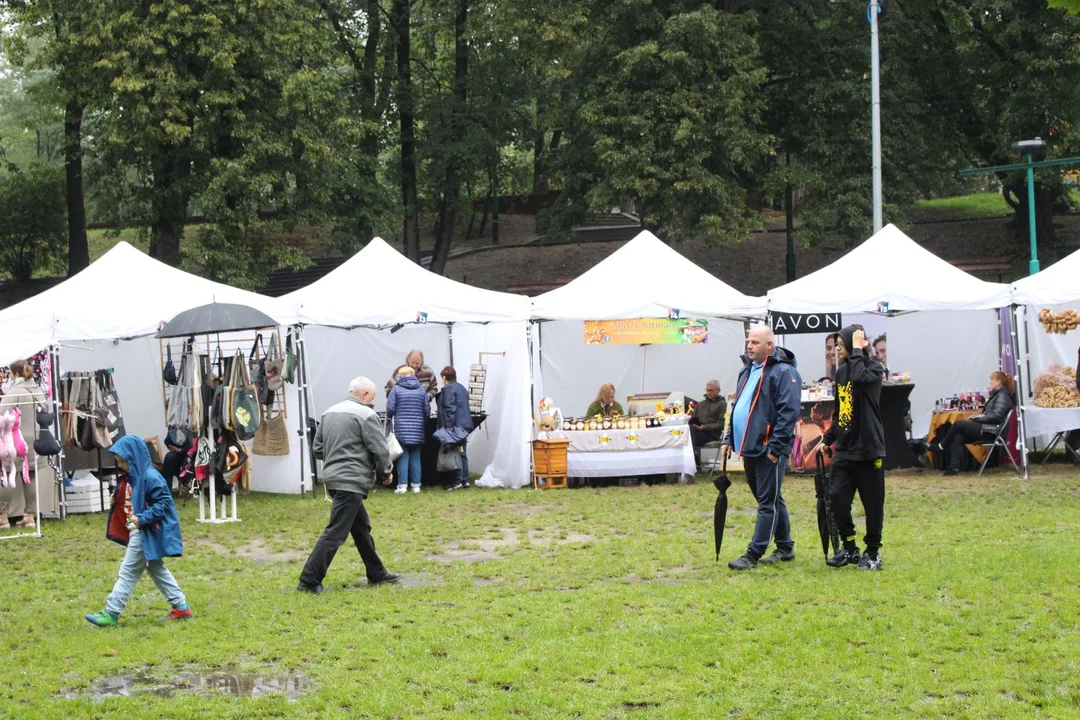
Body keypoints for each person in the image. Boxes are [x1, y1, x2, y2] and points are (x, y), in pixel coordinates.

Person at [298, 377, 401, 593]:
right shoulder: (366, 415)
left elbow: (318, 449)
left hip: (334, 479)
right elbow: (380, 449)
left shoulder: (328, 413)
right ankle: (309, 580)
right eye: (372, 397)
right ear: (365, 395)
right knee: (335, 532)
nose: (371, 402)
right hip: (351, 481)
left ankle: (377, 573)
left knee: (361, 528)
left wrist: (337, 455)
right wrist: (386, 473)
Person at [85, 435, 191, 626]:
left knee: (128, 572)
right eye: (119, 462)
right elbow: (132, 498)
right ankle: (180, 606)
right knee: (156, 568)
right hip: (141, 530)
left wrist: (142, 519)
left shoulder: (151, 477)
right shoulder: (133, 477)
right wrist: (116, 499)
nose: (122, 465)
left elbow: (164, 503)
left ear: (134, 458)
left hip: (144, 532)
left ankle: (111, 612)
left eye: (124, 461)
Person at [721, 325, 801, 570]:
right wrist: (728, 439)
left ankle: (753, 554)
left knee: (767, 502)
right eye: (748, 341)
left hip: (769, 448)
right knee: (771, 498)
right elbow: (738, 407)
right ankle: (785, 546)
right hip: (751, 446)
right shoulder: (746, 371)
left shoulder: (784, 372)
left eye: (755, 342)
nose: (749, 346)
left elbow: (789, 412)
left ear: (770, 345)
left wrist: (776, 448)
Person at [820, 325, 886, 571]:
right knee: (836, 497)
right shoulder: (842, 372)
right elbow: (841, 409)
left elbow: (860, 377)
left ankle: (872, 552)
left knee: (872, 504)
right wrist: (829, 437)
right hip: (846, 449)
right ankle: (849, 548)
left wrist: (859, 348)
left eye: (842, 344)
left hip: (869, 449)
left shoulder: (873, 369)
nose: (838, 349)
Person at [935, 371, 1016, 477]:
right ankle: (953, 468)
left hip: (992, 431)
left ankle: (941, 446)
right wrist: (979, 417)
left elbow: (996, 416)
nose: (990, 383)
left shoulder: (1003, 396)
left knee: (958, 424)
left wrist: (978, 419)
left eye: (992, 380)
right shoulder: (999, 395)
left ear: (998, 382)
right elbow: (993, 415)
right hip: (989, 429)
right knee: (958, 436)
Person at [0, 360, 48, 530]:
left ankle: (3, 517)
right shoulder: (37, 390)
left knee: (7, 475)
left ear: (15, 374)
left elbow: (2, 414)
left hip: (15, 439)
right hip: (35, 440)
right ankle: (30, 517)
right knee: (30, 476)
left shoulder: (14, 392)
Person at [386, 366, 427, 494]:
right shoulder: (421, 389)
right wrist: (421, 423)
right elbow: (426, 410)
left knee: (403, 457)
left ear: (400, 376)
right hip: (418, 428)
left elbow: (390, 410)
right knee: (415, 457)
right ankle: (416, 486)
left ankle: (402, 486)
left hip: (401, 429)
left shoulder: (396, 389)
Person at [437, 366, 474, 490]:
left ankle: (457, 481)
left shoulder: (448, 389)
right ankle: (465, 480)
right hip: (465, 425)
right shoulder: (462, 388)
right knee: (462, 452)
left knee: (455, 453)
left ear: (444, 377)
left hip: (455, 426)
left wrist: (448, 427)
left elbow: (450, 409)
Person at [689, 380, 727, 464]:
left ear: (718, 391)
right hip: (697, 431)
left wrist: (704, 427)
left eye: (711, 390)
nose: (709, 393)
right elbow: (692, 417)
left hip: (712, 434)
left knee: (692, 438)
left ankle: (693, 462)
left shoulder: (722, 404)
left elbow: (722, 424)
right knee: (686, 435)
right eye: (707, 390)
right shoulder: (700, 404)